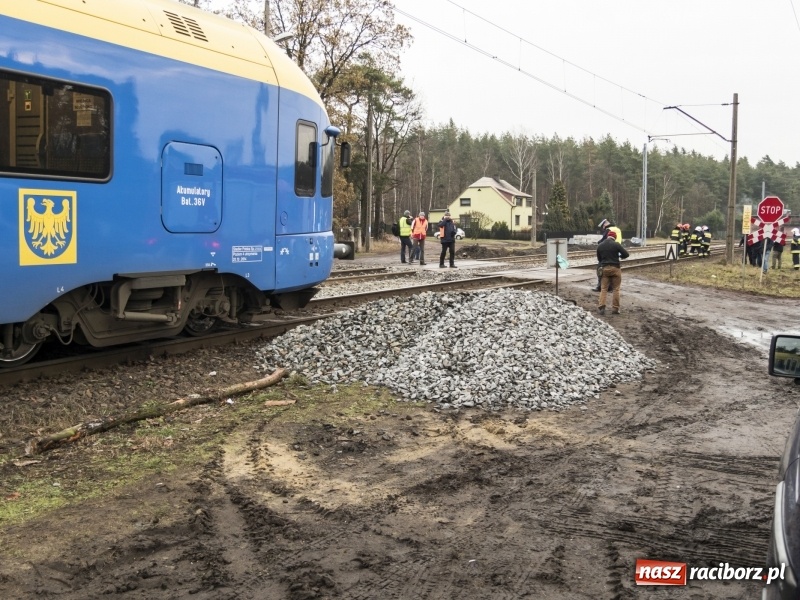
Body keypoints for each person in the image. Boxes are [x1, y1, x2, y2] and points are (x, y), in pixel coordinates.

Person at [596, 230, 629, 315]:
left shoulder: (600, 245)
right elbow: (626, 254)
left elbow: (599, 259)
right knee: (616, 289)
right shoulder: (616, 245)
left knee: (603, 289)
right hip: (615, 268)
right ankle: (615, 309)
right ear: (615, 237)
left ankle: (602, 307)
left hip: (605, 269)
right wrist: (620, 256)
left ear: (607, 236)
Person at [592, 218, 623, 291]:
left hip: (607, 251)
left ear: (605, 224)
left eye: (603, 226)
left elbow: (604, 240)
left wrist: (598, 244)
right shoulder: (617, 229)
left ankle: (599, 287)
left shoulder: (609, 229)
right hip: (616, 251)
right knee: (613, 269)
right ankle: (611, 288)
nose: (603, 228)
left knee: (600, 268)